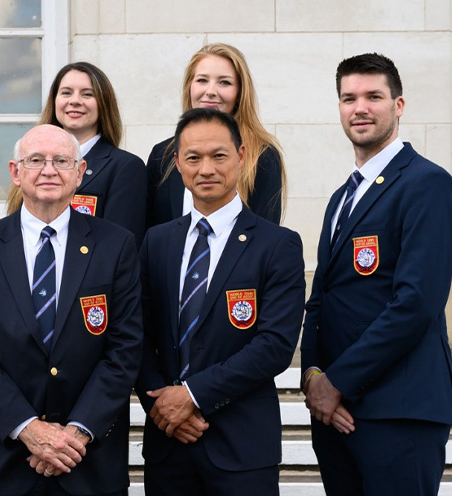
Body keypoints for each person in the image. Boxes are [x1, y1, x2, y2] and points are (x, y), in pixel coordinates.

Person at [300, 53, 452, 496]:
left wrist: (337, 382)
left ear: (399, 105)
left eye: (373, 96)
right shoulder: (342, 197)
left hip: (399, 411)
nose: (360, 108)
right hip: (336, 412)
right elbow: (321, 299)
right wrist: (313, 377)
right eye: (348, 98)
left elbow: (416, 304)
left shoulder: (427, 184)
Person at [0, 124, 143, 496]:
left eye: (61, 161)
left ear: (80, 172)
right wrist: (28, 429)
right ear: (15, 172)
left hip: (88, 460)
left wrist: (76, 434)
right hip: (3, 461)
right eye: (36, 160)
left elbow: (125, 348)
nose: (49, 170)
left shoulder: (116, 245)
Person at [136, 108, 305, 496]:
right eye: (193, 157)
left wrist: (192, 396)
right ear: (178, 163)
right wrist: (161, 405)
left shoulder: (277, 245)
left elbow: (275, 345)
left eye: (219, 155)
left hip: (241, 447)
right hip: (168, 444)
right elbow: (137, 334)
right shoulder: (156, 242)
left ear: (241, 157)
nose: (206, 169)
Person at [146, 43, 286, 228]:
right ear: (189, 87)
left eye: (224, 82)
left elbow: (267, 235)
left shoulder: (262, 155)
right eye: (202, 80)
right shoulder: (162, 155)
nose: (210, 91)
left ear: (240, 92)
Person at [9, 62, 148, 243]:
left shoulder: (125, 167)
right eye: (66, 93)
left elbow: (120, 245)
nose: (74, 101)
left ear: (103, 103)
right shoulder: (29, 159)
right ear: (54, 101)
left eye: (87, 94)